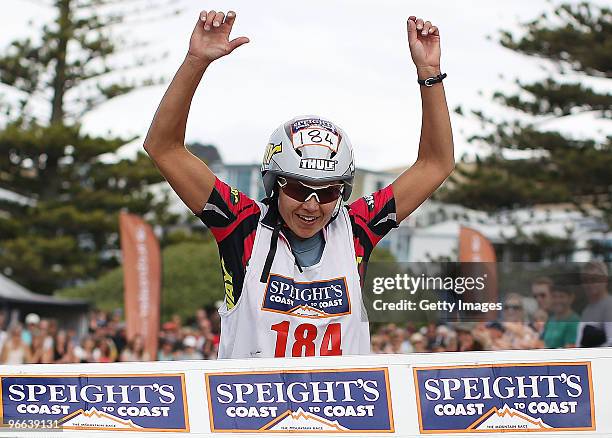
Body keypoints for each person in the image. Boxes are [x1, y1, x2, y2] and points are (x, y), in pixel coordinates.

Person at [144, 10, 453, 358]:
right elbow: (163, 148)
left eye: (328, 192)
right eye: (297, 189)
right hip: (252, 410)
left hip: (342, 410)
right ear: (274, 184)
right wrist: (195, 62)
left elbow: (436, 164)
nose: (311, 205)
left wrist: (429, 74)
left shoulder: (356, 228)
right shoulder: (241, 223)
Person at [576, 261, 612, 347]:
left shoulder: (609, 305)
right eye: (585, 280)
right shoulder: (587, 309)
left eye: (594, 279)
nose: (589, 284)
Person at [542, 283, 579, 349]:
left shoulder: (574, 322)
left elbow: (569, 351)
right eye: (554, 296)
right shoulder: (550, 320)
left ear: (571, 298)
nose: (557, 300)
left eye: (561, 296)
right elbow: (540, 342)